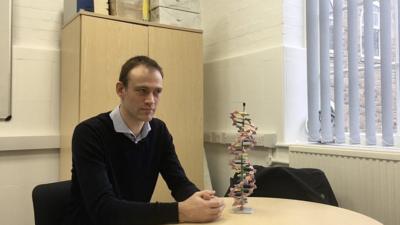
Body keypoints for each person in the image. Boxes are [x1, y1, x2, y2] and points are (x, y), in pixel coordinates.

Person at [62, 56, 225, 225]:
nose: (151, 100)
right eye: (142, 91)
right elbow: (104, 210)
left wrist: (199, 199)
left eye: (157, 92)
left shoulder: (159, 131)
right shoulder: (89, 133)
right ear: (120, 89)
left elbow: (179, 183)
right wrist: (181, 211)